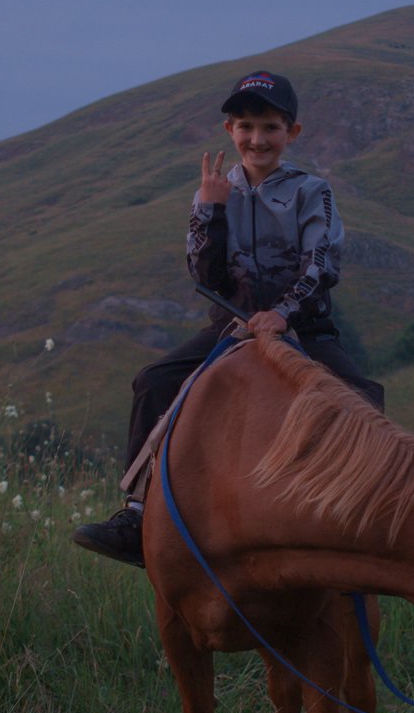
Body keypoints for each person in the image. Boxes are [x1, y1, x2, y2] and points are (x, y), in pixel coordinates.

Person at [73, 70, 384, 566]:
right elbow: (204, 274)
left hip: (302, 326)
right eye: (244, 127)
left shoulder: (312, 191)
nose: (256, 139)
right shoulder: (213, 190)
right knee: (153, 381)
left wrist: (281, 314)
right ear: (229, 132)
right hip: (229, 326)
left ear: (292, 133)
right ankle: (137, 512)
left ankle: (370, 519)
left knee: (364, 398)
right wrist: (211, 212)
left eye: (269, 128)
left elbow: (320, 265)